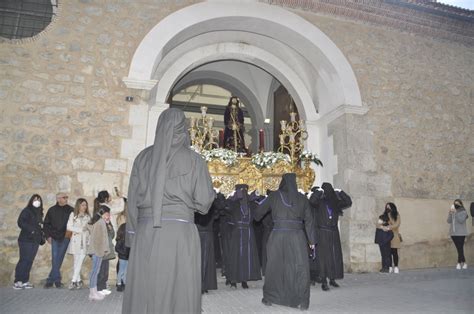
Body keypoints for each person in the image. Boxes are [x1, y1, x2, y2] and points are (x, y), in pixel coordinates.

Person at [123, 108, 215, 314]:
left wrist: (131, 235)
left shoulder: (142, 158)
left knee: (145, 287)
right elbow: (204, 203)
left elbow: (131, 202)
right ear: (183, 129)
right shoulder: (194, 160)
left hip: (146, 233)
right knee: (178, 289)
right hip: (179, 234)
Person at [254, 173, 316, 310]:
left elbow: (257, 214)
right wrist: (312, 241)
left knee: (274, 267)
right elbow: (310, 221)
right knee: (299, 268)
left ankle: (270, 297)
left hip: (277, 236)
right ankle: (302, 302)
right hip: (297, 237)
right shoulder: (302, 198)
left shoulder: (274, 196)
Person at [308, 183, 352, 291]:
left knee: (333, 256)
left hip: (333, 232)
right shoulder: (319, 202)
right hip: (322, 232)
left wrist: (341, 191)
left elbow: (348, 202)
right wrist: (318, 192)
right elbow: (312, 201)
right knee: (323, 257)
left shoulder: (335, 202)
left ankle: (332, 279)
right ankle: (323, 280)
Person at [223, 184, 262, 289]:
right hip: (236, 232)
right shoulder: (234, 203)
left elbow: (259, 210)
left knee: (246, 257)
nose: (244, 192)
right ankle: (233, 280)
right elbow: (225, 206)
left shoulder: (251, 204)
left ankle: (244, 279)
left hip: (248, 232)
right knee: (235, 256)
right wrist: (233, 197)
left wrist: (255, 197)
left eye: (245, 190)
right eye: (241, 190)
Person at [13, 194, 45, 290]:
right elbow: (21, 222)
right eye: (35, 199)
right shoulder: (27, 210)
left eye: (39, 200)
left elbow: (39, 225)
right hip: (26, 240)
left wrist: (41, 233)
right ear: (31, 200)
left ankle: (25, 281)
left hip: (35, 241)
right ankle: (17, 281)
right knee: (24, 260)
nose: (37, 201)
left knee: (29, 261)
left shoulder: (39, 212)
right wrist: (32, 230)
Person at [43, 192, 74, 288]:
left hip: (65, 237)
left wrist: (71, 235)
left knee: (59, 258)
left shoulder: (71, 210)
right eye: (64, 197)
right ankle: (56, 280)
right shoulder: (52, 210)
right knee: (55, 258)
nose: (66, 199)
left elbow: (74, 222)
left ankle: (50, 280)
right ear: (58, 199)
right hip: (54, 237)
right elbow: (46, 224)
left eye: (66, 197)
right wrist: (48, 236)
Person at [87, 205, 111, 301]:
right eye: (107, 213)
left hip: (97, 251)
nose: (108, 215)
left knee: (95, 271)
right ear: (102, 213)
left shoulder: (100, 222)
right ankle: (92, 293)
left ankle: (94, 291)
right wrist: (102, 251)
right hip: (97, 251)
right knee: (94, 272)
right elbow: (98, 239)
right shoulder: (100, 222)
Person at [66, 198, 91, 290]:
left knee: (80, 260)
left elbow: (90, 229)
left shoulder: (88, 216)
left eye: (85, 205)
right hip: (76, 241)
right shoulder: (73, 215)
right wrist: (80, 230)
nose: (84, 207)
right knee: (76, 261)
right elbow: (69, 227)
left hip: (84, 241)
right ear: (78, 205)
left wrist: (89, 239)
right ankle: (78, 281)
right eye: (83, 205)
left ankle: (73, 281)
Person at [447, 199, 468, 270]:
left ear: (461, 204)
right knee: (459, 248)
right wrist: (450, 213)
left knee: (460, 248)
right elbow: (448, 221)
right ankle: (464, 263)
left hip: (461, 233)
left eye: (457, 204)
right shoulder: (453, 212)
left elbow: (461, 221)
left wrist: (455, 213)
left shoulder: (464, 212)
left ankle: (459, 263)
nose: (456, 205)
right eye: (454, 203)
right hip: (453, 233)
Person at [375, 206, 394, 273]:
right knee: (383, 255)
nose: (379, 221)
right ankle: (384, 267)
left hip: (385, 243)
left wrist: (386, 241)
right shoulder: (380, 228)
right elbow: (377, 234)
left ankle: (388, 267)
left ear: (384, 221)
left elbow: (391, 235)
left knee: (387, 255)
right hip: (381, 243)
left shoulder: (387, 228)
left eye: (380, 220)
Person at [385, 203, 401, 273]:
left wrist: (389, 227)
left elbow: (397, 224)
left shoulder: (396, 215)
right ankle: (390, 267)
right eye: (387, 207)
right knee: (388, 252)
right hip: (387, 236)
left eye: (389, 207)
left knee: (394, 252)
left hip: (394, 236)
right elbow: (381, 223)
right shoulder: (385, 215)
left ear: (392, 207)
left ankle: (396, 267)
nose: (388, 208)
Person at [115, 222, 129, 292]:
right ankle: (119, 284)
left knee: (126, 271)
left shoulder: (128, 239)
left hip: (127, 257)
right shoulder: (120, 240)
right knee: (121, 271)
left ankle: (125, 282)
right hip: (122, 258)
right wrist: (123, 253)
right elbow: (117, 248)